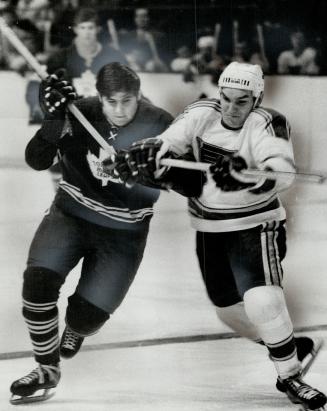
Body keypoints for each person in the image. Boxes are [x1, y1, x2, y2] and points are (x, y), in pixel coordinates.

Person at [109, 62, 327, 411]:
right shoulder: (201, 112)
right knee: (228, 313)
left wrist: (248, 177)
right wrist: (147, 156)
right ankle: (290, 346)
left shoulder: (266, 122)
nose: (231, 108)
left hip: (256, 225)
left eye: (241, 101)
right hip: (209, 228)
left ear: (256, 98)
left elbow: (282, 170)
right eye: (225, 98)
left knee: (263, 301)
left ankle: (290, 376)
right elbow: (168, 143)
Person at [9, 62, 173, 404]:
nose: (118, 110)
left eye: (126, 101)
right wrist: (53, 122)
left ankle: (77, 328)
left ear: (139, 95)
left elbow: (190, 184)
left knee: (87, 318)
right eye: (110, 102)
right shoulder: (80, 111)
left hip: (124, 233)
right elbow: (36, 160)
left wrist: (152, 170)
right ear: (98, 97)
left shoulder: (160, 124)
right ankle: (45, 369)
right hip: (71, 214)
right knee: (36, 286)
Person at [47, 8, 128, 97]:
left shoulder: (114, 56)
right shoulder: (61, 58)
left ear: (98, 29)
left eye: (90, 28)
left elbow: (127, 87)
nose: (87, 33)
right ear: (75, 29)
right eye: (82, 28)